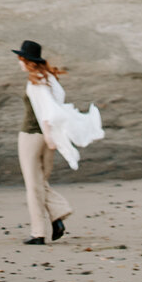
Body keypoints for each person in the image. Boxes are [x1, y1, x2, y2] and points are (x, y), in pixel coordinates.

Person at [13, 40, 104, 245]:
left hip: (32, 135)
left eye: (20, 58)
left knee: (33, 185)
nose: (18, 62)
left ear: (26, 60)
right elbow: (57, 105)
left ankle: (38, 233)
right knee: (40, 182)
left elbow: (47, 112)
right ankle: (57, 215)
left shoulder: (35, 82)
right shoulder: (51, 80)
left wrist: (47, 135)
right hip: (50, 135)